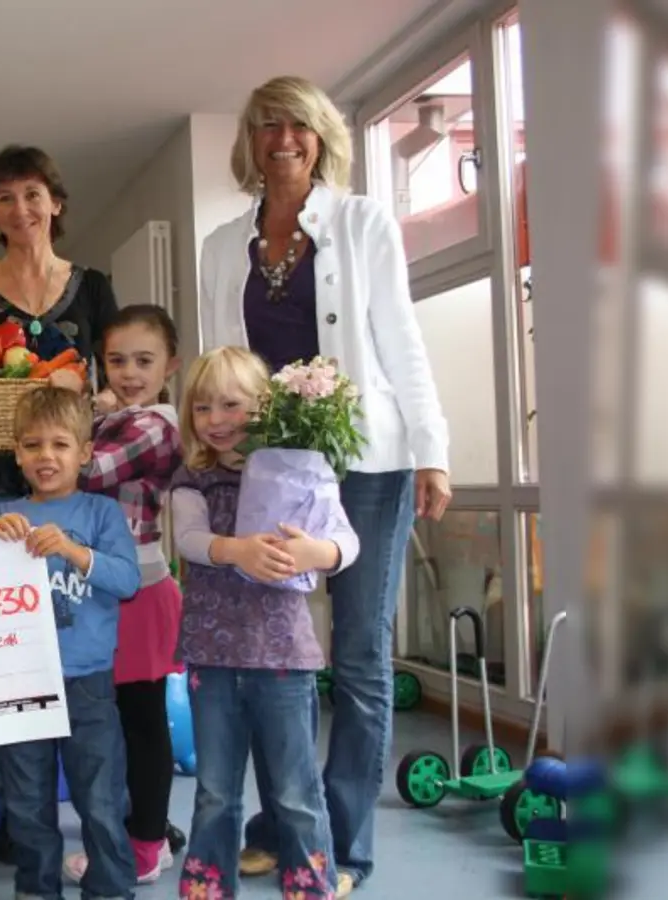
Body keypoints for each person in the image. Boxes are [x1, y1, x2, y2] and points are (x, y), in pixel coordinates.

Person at [197, 75, 452, 891]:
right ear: (250, 140)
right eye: (267, 124)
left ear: (320, 136)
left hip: (369, 463)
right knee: (278, 653)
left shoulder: (362, 221)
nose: (283, 139)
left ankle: (343, 848)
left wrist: (433, 447)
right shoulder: (220, 244)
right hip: (271, 468)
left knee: (362, 653)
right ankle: (283, 828)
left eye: (298, 125)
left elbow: (399, 339)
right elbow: (221, 358)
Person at [0, 144, 119, 860]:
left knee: (75, 642)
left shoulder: (95, 288)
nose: (22, 209)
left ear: (57, 202)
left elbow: (119, 386)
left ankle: (80, 814)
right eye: (6, 198)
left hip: (73, 495)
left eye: (33, 194)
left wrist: (92, 398)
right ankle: (17, 816)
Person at [168, 346, 359, 900]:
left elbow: (347, 540)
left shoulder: (300, 469)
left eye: (232, 404)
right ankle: (207, 889)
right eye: (202, 408)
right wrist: (238, 551)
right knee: (215, 793)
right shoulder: (192, 477)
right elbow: (188, 540)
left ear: (266, 406)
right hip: (213, 656)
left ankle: (310, 888)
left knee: (297, 792)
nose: (216, 420)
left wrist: (316, 553)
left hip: (283, 659)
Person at [0, 386, 142, 900]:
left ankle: (112, 889)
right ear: (16, 453)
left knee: (100, 801)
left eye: (59, 444)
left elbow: (127, 581)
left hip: (89, 684)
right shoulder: (1, 517)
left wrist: (75, 551)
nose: (45, 456)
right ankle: (36, 891)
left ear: (84, 452)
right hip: (21, 683)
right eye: (32, 445)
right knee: (27, 804)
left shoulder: (101, 515)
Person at [65, 305, 186, 886]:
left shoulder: (155, 425)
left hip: (137, 590)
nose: (130, 372)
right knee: (111, 723)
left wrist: (74, 415)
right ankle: (146, 826)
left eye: (145, 360)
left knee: (141, 722)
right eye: (116, 360)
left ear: (171, 365)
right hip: (101, 588)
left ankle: (146, 846)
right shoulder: (117, 417)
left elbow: (80, 472)